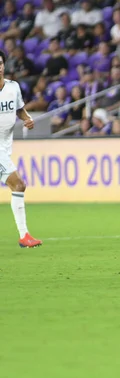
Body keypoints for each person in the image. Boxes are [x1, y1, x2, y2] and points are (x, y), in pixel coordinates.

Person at [0, 50, 42, 248]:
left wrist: (27, 119)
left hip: (6, 145)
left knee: (15, 186)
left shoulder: (12, 87)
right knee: (18, 184)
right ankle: (24, 235)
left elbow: (19, 109)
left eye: (0, 63)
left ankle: (24, 236)